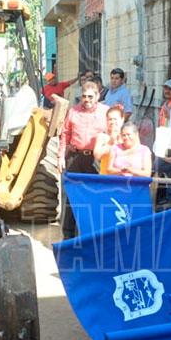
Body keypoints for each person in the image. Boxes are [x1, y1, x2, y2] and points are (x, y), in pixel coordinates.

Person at [59, 80, 109, 239]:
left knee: (94, 195)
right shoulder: (73, 111)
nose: (86, 100)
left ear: (98, 96)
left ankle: (91, 234)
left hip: (96, 160)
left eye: (90, 96)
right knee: (72, 195)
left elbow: (113, 132)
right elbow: (65, 134)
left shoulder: (105, 112)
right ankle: (68, 235)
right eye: (84, 96)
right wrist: (61, 156)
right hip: (75, 157)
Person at [94, 105, 125, 174]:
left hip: (123, 176)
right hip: (106, 176)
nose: (112, 122)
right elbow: (97, 155)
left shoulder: (127, 136)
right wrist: (110, 142)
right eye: (110, 119)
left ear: (122, 119)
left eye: (115, 119)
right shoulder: (102, 136)